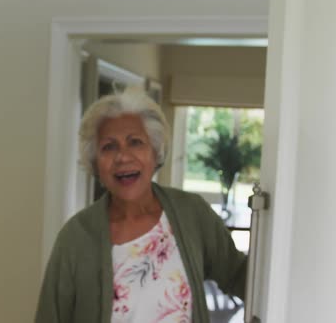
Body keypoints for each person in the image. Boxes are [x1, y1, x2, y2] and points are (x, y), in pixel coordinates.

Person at [35, 87, 247, 323]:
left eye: (135, 142)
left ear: (155, 151)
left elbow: (242, 276)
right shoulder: (75, 237)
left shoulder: (192, 213)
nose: (123, 157)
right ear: (95, 163)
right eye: (109, 146)